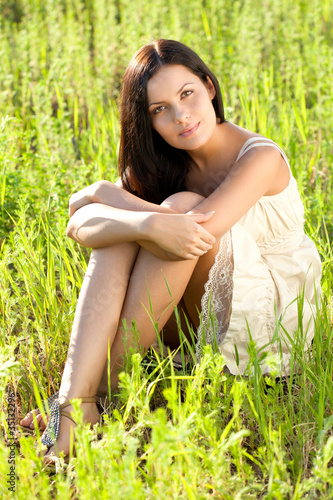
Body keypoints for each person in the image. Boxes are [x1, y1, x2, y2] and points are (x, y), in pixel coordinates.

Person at [19, 39, 321, 463]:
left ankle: (98, 394)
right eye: (160, 109)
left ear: (210, 88)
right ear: (148, 122)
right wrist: (141, 220)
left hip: (267, 320)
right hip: (191, 304)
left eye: (187, 94)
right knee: (132, 229)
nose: (181, 116)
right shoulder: (166, 162)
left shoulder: (261, 157)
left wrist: (106, 195)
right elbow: (79, 224)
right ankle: (76, 401)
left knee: (176, 211)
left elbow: (193, 235)